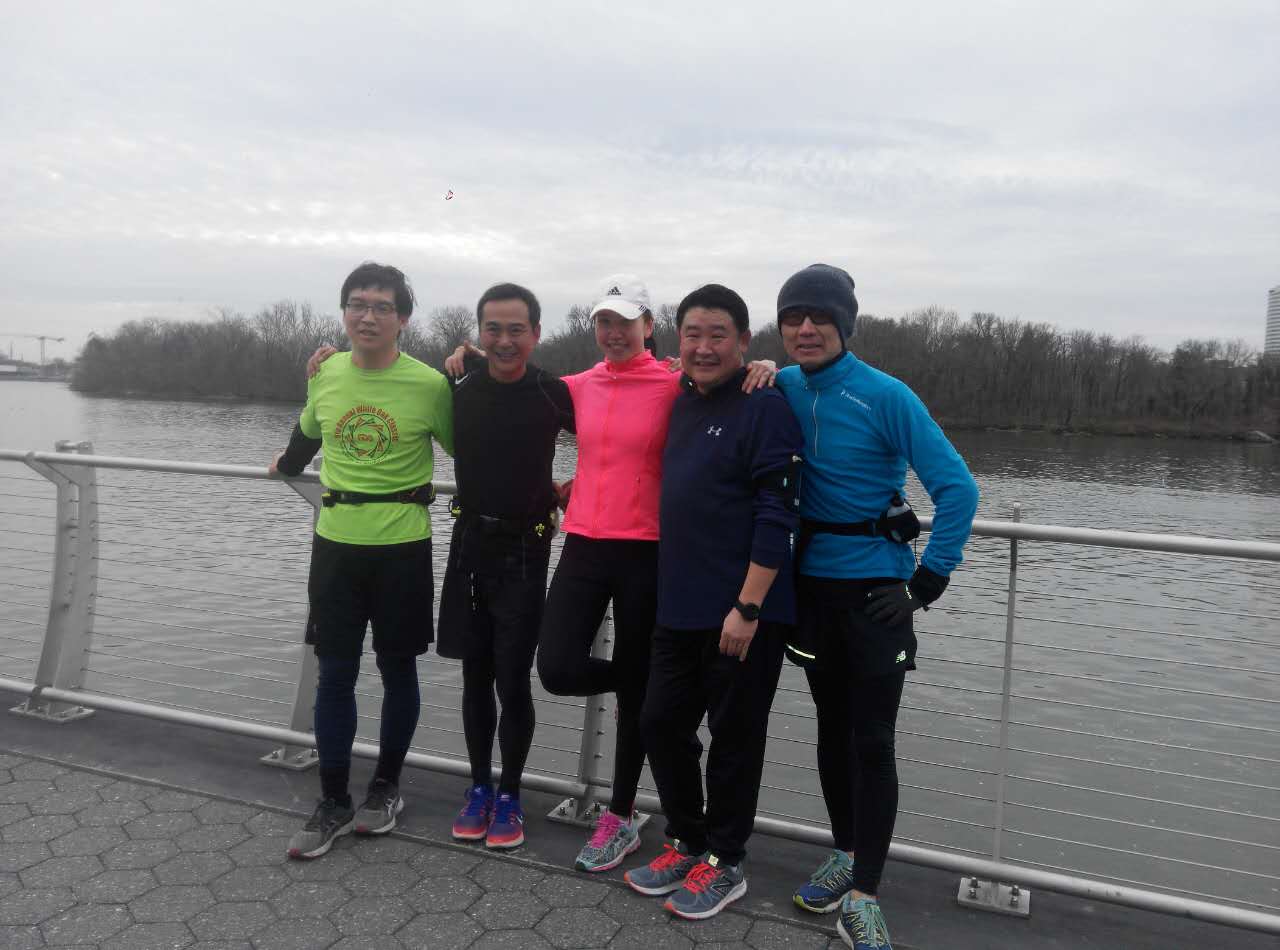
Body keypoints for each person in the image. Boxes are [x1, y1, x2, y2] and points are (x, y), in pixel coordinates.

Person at [446, 274, 776, 874]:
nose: (614, 332)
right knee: (557, 667)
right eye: (604, 321)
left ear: (648, 326)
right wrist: (468, 354)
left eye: (626, 322)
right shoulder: (576, 387)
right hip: (584, 546)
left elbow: (724, 386)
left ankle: (620, 815)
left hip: (648, 551)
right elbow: (515, 378)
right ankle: (638, 682)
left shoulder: (676, 382)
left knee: (637, 703)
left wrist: (768, 367)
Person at [773, 264, 979, 950]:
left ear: (846, 325)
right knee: (830, 732)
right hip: (811, 591)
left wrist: (926, 584)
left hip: (877, 596)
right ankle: (844, 853)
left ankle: (865, 893)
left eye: (820, 317)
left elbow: (958, 490)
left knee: (872, 741)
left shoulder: (886, 395)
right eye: (794, 316)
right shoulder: (781, 385)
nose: (806, 328)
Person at [625, 285, 803, 920]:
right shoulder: (681, 398)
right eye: (692, 335)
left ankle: (726, 862)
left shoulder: (766, 405)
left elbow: (778, 512)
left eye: (718, 335)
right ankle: (688, 839)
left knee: (734, 739)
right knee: (659, 723)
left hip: (744, 611)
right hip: (679, 602)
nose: (704, 347)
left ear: (744, 342)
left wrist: (748, 608)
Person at [269, 261, 454, 860]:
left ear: (403, 319)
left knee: (398, 670)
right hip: (336, 546)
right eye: (357, 304)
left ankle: (385, 788)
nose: (367, 316)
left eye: (381, 307)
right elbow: (304, 441)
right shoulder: (326, 373)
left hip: (402, 547)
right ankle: (332, 802)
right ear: (344, 312)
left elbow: (471, 449)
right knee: (335, 674)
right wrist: (284, 465)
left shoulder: (429, 385)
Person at [437, 283, 574, 849]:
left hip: (525, 548)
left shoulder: (553, 392)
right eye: (492, 329)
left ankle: (511, 794)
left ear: (536, 333)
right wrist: (324, 362)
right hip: (469, 540)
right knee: (474, 676)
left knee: (513, 679)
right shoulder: (458, 384)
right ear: (479, 333)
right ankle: (479, 787)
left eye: (517, 329)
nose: (504, 340)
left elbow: (619, 437)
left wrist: (578, 486)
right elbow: (385, 375)